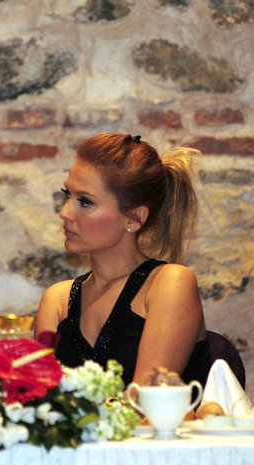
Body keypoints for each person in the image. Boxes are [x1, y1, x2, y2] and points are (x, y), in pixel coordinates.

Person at [34, 133, 211, 387]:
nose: (64, 212)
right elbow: (38, 398)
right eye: (67, 195)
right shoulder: (57, 300)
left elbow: (144, 400)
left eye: (85, 202)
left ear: (134, 219)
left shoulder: (170, 283)